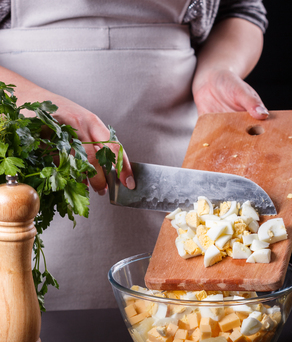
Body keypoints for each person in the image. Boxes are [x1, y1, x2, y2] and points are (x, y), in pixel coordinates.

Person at [0, 1, 269, 309]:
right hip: (31, 172)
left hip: (177, 162)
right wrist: (35, 102)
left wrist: (218, 69)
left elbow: (241, 10)